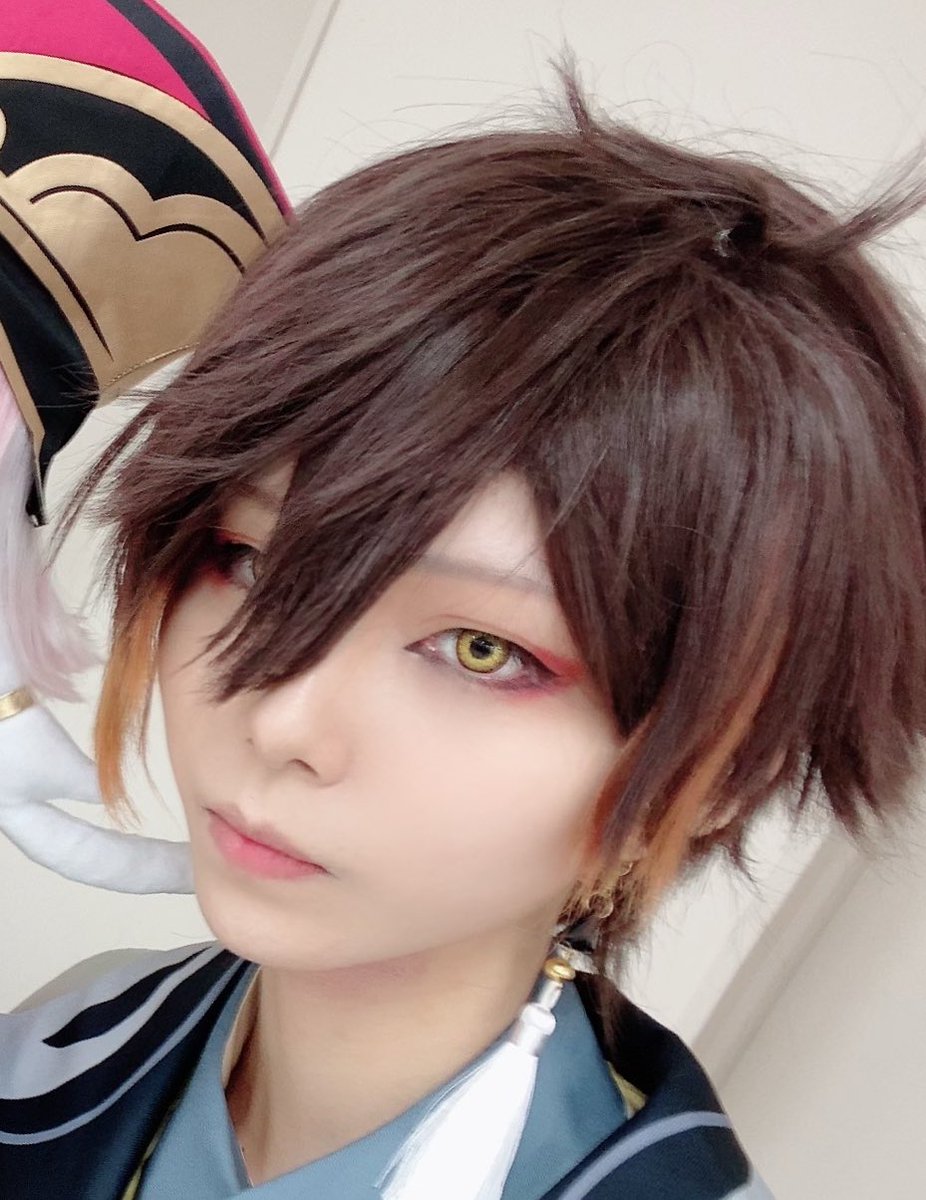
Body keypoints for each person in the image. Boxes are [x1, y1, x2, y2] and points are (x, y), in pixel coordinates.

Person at [4, 64, 926, 1200]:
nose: (285, 721)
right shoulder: (63, 1043)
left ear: (730, 765)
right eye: (250, 563)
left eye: (482, 652)